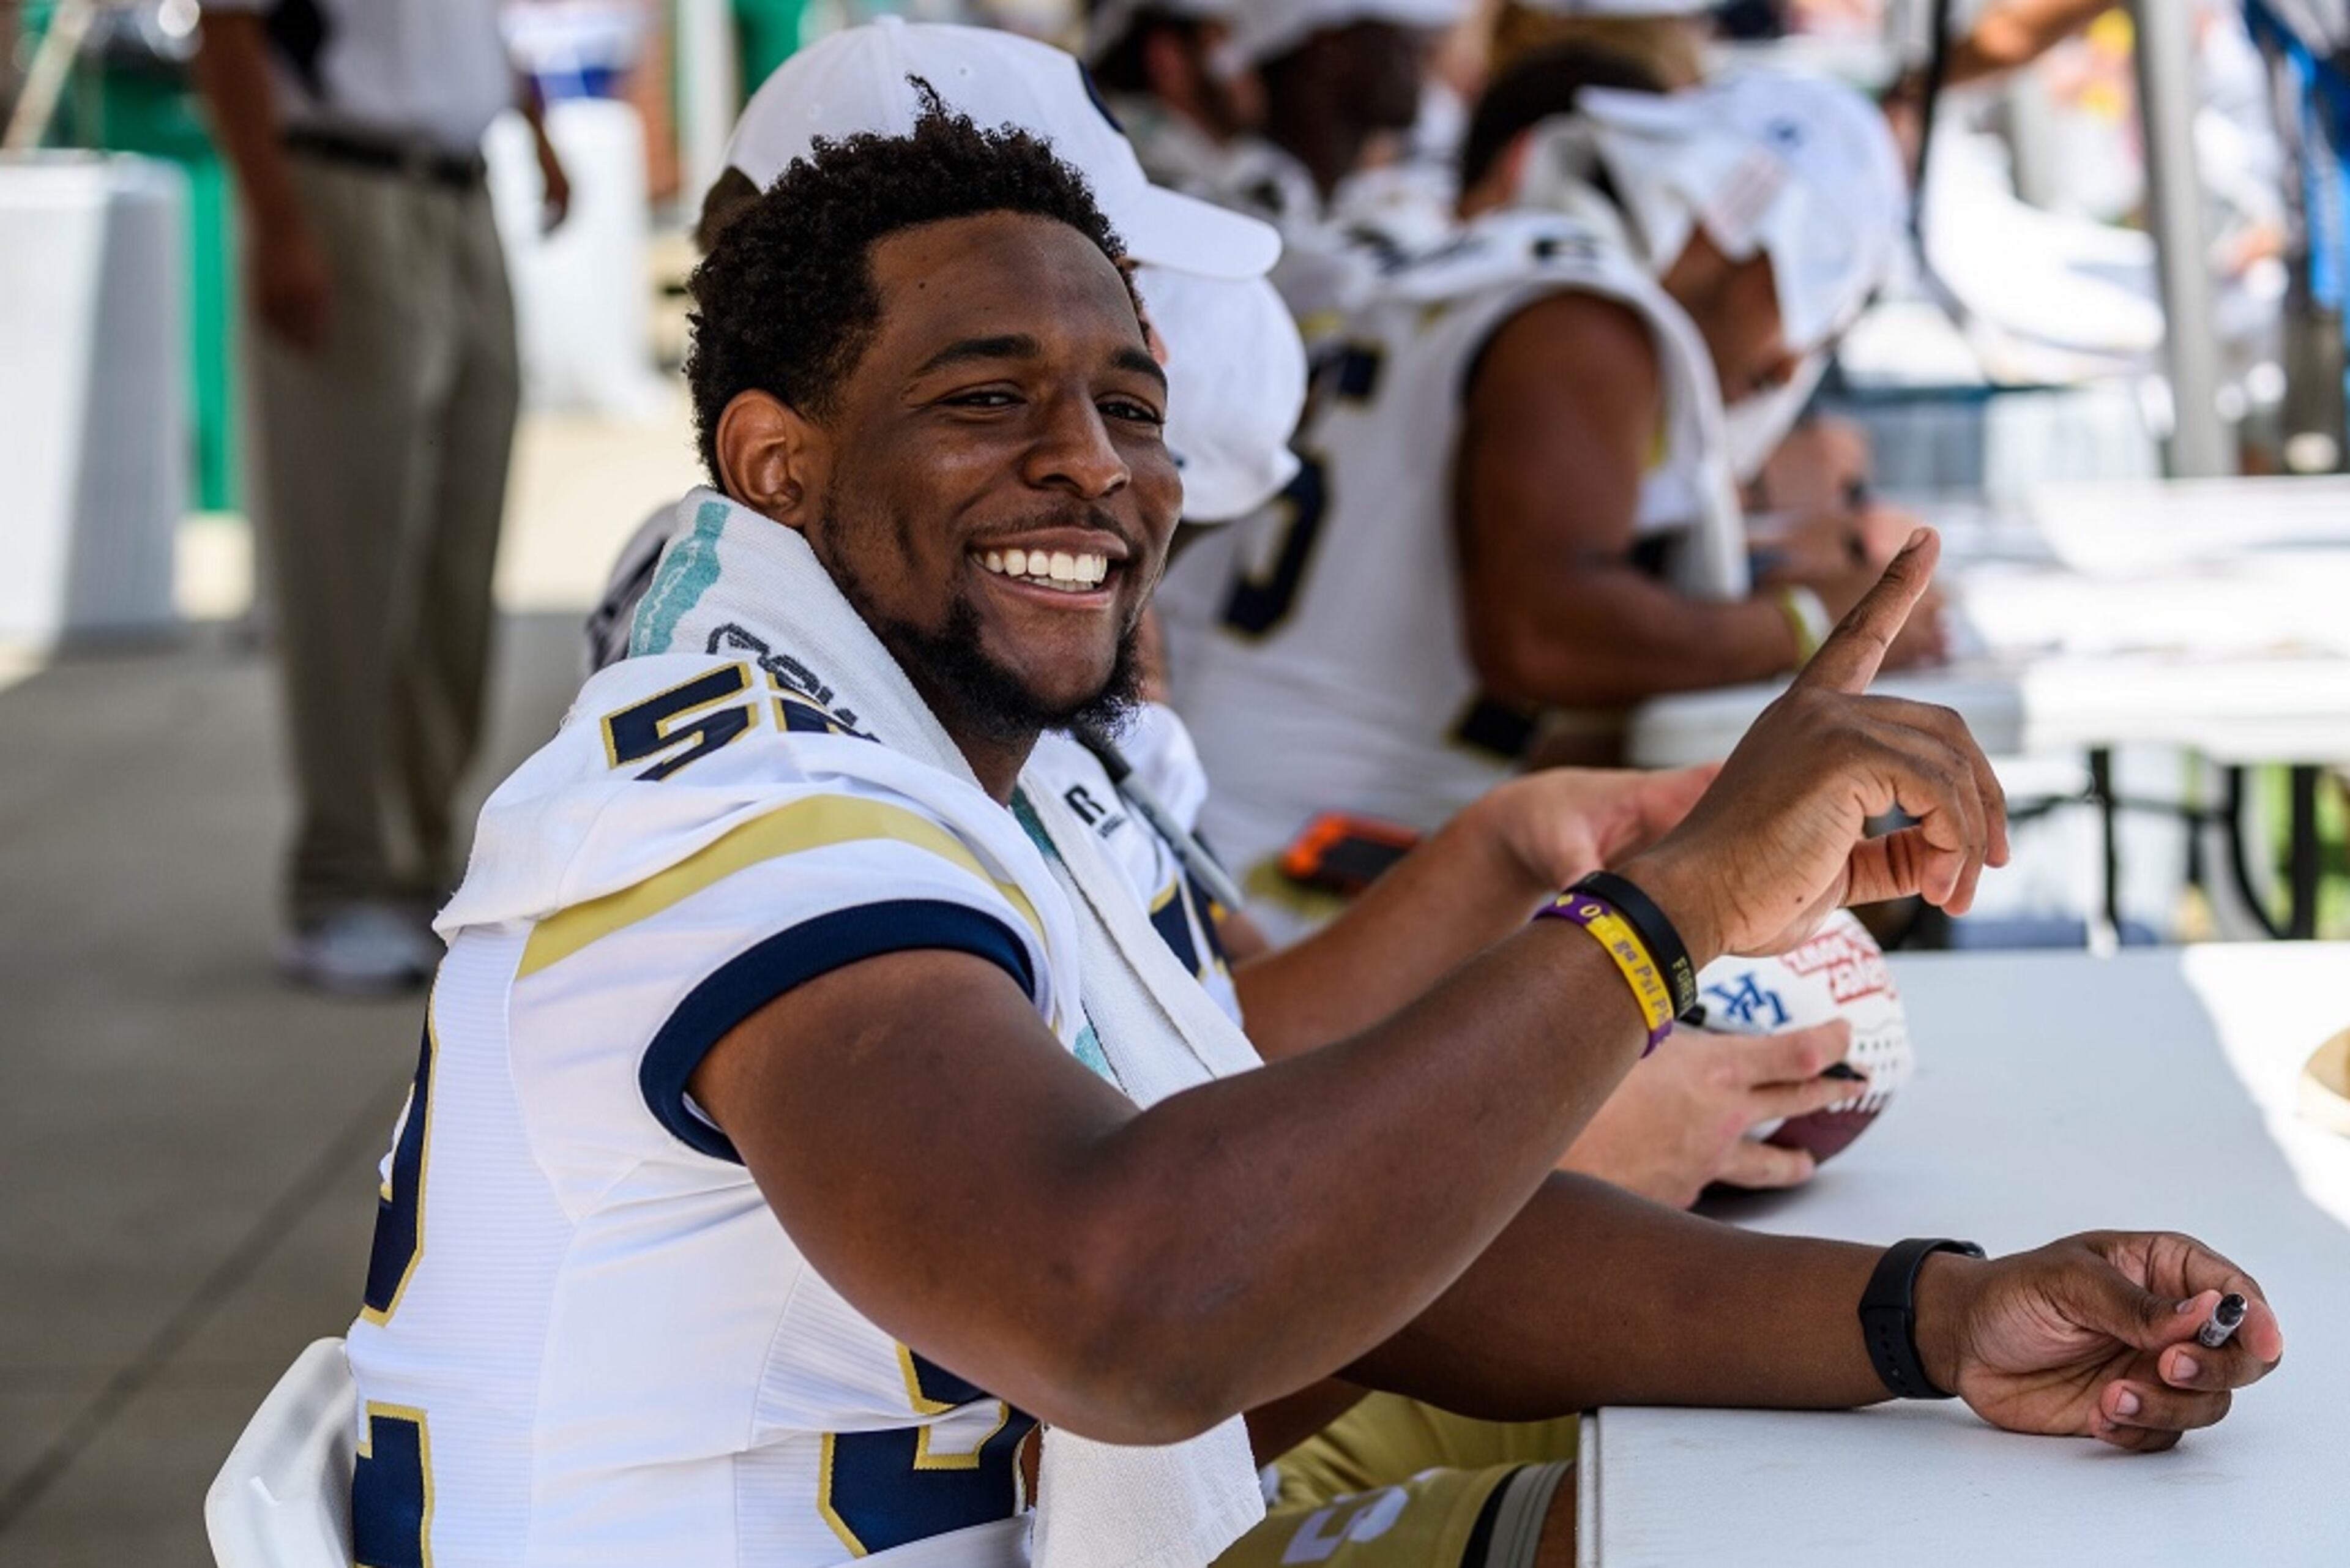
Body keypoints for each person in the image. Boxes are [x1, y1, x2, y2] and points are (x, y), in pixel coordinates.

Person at [343, 100, 2281, 1568]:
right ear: (777, 461)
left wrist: (1937, 1314)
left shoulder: (1004, 752)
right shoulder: (733, 795)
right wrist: (1665, 914)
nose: (1092, 465)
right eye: (986, 398)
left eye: (1127, 402)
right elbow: (1135, 1304)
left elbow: (1384, 1254)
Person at [1167, 53, 1938, 940]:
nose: (1789, 363)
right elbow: (1540, 633)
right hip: (1298, 870)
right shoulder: (1586, 319)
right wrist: (1809, 623)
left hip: (1230, 808)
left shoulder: (1489, 264)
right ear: (1745, 224)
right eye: (1811, 304)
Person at [193, 0, 569, 993]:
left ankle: (421, 857)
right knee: (350, 552)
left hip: (462, 192)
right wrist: (279, 224)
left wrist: (531, 124)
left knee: (458, 554)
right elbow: (226, 33)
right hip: (342, 189)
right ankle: (339, 880)